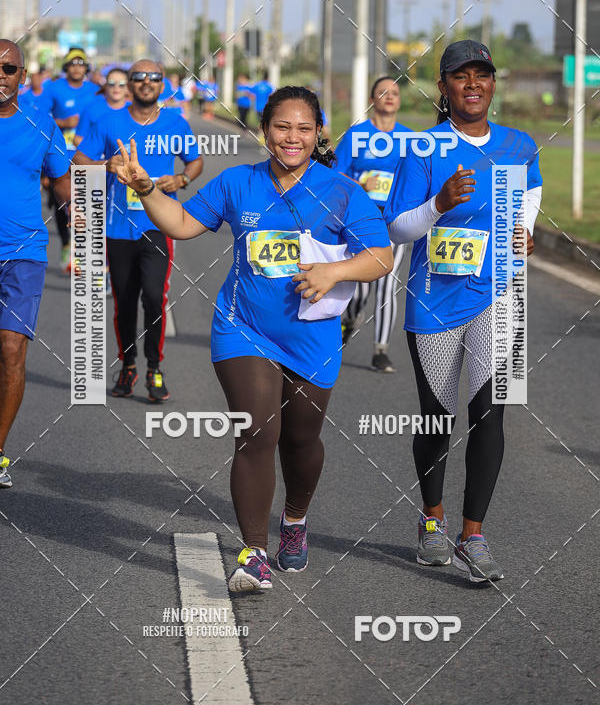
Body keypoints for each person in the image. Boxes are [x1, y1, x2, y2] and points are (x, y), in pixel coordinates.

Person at [114, 85, 392, 592]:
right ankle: (254, 553)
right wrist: (144, 187)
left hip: (313, 336)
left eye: (303, 128)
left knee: (302, 438)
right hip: (244, 328)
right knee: (258, 432)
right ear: (265, 130)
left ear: (317, 134)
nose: (292, 137)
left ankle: (295, 520)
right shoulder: (238, 183)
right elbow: (178, 223)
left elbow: (381, 256)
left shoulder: (342, 191)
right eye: (282, 127)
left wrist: (334, 274)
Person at [383, 39, 543, 583]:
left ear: (493, 84)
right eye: (460, 76)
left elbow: (531, 193)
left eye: (482, 75)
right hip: (434, 298)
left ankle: (473, 535)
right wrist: (440, 204)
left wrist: (525, 230)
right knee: (436, 413)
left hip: (499, 294)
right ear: (445, 87)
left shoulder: (519, 145)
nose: (473, 84)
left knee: (490, 413)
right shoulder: (422, 149)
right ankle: (432, 521)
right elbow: (395, 227)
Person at [73, 59, 203, 402]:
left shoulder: (176, 123)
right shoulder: (109, 121)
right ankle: (128, 364)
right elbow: (78, 160)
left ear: (163, 85)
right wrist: (105, 164)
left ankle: (154, 368)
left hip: (159, 226)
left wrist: (182, 178)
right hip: (117, 226)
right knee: (125, 302)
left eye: (154, 78)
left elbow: (195, 160)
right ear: (130, 84)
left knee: (154, 297)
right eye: (139, 77)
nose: (146, 82)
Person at [0, 39, 70, 487]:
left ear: (22, 77)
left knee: (10, 351)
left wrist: (81, 228)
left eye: (8, 68)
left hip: (23, 252)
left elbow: (63, 184)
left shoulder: (41, 123)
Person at [336, 77, 412, 373]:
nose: (390, 96)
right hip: (360, 221)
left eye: (395, 92)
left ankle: (380, 350)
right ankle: (350, 318)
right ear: (372, 99)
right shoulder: (356, 136)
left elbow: (417, 181)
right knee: (361, 288)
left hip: (394, 221)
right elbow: (335, 176)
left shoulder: (410, 139)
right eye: (383, 92)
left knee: (387, 284)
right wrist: (360, 183)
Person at [40, 47, 97, 272]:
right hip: (59, 154)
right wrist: (64, 124)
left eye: (81, 63)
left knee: (89, 203)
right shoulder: (53, 89)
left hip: (88, 156)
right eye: (72, 63)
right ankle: (66, 243)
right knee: (61, 202)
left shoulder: (95, 90)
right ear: (66, 66)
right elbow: (40, 116)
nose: (77, 67)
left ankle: (86, 254)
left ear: (86, 67)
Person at [75, 67, 130, 145]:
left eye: (121, 84)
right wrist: (98, 153)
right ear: (106, 85)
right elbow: (77, 139)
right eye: (111, 83)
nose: (116, 87)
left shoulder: (135, 110)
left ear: (127, 86)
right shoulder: (91, 109)